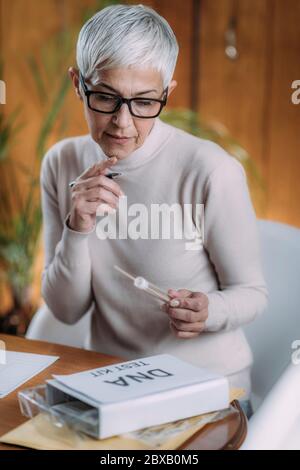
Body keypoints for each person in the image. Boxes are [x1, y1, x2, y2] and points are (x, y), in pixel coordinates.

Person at [40, 4, 268, 417]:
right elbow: (65, 309)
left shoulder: (209, 170)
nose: (123, 123)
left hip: (209, 390)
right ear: (78, 84)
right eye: (106, 97)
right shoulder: (61, 163)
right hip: (110, 386)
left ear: (166, 93)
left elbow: (253, 294)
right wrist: (77, 228)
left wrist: (209, 310)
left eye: (144, 102)